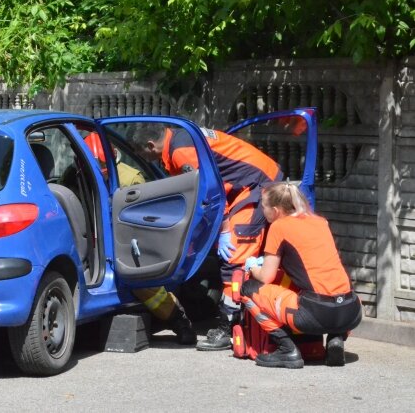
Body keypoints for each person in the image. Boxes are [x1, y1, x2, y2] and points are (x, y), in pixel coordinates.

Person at [131, 123, 283, 350]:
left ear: (151, 145)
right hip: (247, 183)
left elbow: (210, 191)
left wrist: (223, 231)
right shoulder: (178, 138)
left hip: (258, 185)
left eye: (143, 154)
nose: (146, 159)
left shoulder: (182, 151)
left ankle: (228, 328)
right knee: (230, 253)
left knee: (234, 254)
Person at [84, 132, 196, 345]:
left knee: (142, 283)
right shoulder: (76, 174)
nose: (101, 172)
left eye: (103, 167)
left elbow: (142, 216)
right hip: (92, 241)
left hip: (123, 238)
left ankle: (179, 321)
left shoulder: (130, 178)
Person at [241, 182, 362, 368]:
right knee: (331, 295)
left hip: (315, 314)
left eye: (263, 207)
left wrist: (251, 267)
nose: (262, 212)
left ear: (274, 210)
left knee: (248, 288)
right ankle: (335, 338)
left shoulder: (279, 226)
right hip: (351, 311)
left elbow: (266, 277)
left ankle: (287, 349)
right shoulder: (321, 222)